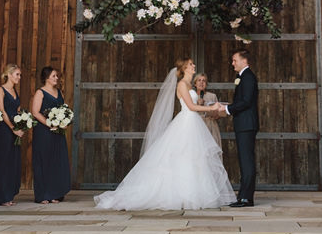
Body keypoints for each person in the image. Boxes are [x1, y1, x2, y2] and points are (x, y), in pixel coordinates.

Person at [94, 58, 234, 210]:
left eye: (193, 64)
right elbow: (191, 107)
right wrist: (213, 108)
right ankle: (180, 195)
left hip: (193, 123)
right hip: (186, 122)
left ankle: (192, 193)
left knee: (194, 158)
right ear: (185, 68)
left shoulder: (189, 84)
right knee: (182, 156)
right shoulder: (181, 84)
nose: (194, 66)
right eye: (191, 64)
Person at [218, 49, 259, 207]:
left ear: (244, 61)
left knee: (247, 161)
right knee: (244, 160)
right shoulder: (241, 77)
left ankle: (246, 198)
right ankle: (244, 196)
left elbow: (246, 101)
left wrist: (227, 109)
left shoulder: (248, 77)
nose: (232, 63)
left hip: (247, 124)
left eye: (235, 60)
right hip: (243, 124)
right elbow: (241, 101)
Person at [31, 66, 71, 204]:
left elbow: (64, 110)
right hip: (44, 132)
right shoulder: (40, 92)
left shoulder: (59, 92)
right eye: (54, 76)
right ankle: (43, 195)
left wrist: (63, 122)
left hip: (58, 133)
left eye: (56, 76)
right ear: (47, 77)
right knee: (44, 161)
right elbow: (35, 112)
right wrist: (50, 124)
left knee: (56, 161)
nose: (56, 78)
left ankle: (55, 193)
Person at [0, 64, 24, 206]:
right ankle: (0, 196)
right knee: (2, 161)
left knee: (12, 162)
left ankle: (9, 195)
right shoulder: (0, 89)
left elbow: (18, 109)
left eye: (20, 75)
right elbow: (2, 111)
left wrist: (22, 125)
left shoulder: (15, 91)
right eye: (17, 74)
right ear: (8, 74)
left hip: (15, 129)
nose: (19, 77)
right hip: (4, 129)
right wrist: (12, 128)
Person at [194, 72, 222, 148]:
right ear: (195, 83)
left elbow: (219, 113)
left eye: (204, 81)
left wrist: (217, 115)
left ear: (206, 84)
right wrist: (197, 104)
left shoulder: (212, 96)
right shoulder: (192, 96)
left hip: (210, 125)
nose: (201, 82)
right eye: (199, 80)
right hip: (197, 126)